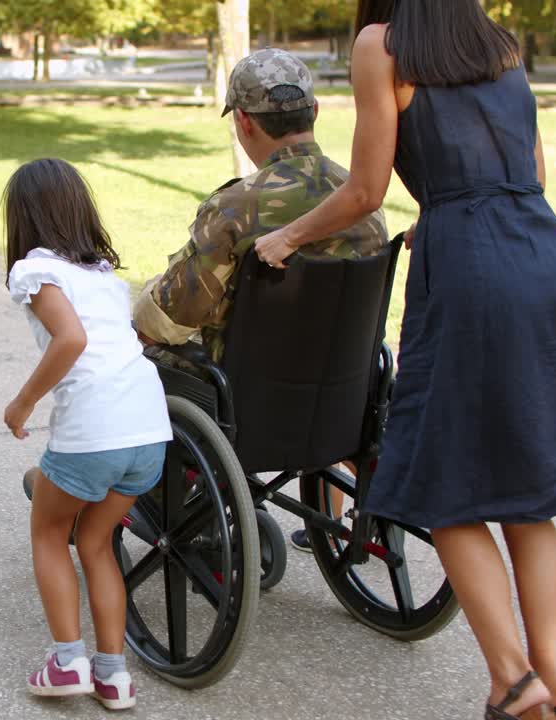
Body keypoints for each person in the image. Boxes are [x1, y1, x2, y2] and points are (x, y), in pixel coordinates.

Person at [253, 2, 556, 718]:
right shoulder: (499, 45)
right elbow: (528, 169)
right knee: (530, 504)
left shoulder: (381, 45)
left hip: (473, 278)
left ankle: (513, 683)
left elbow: (363, 190)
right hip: (551, 262)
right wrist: (450, 206)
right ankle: (555, 689)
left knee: (445, 487)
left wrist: (285, 238)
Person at [131, 48, 387, 550]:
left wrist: (136, 309)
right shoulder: (362, 199)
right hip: (344, 390)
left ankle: (159, 506)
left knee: (133, 359)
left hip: (245, 402)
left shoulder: (237, 208)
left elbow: (167, 320)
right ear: (313, 112)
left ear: (244, 121)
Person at [2, 158, 173, 711]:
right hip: (149, 431)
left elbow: (69, 340)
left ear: (22, 218)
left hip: (95, 436)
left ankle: (67, 662)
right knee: (95, 542)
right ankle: (113, 675)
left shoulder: (36, 271)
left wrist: (23, 401)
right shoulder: (104, 276)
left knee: (50, 534)